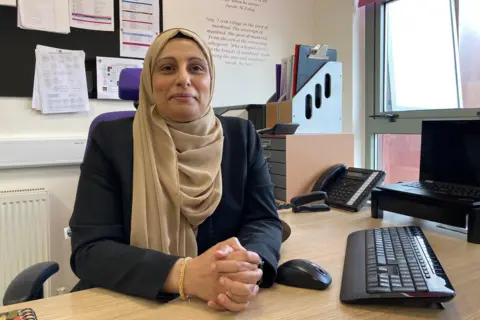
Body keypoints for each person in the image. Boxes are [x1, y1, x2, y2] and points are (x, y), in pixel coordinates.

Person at [68, 27, 283, 313]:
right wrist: (185, 274)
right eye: (168, 68)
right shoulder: (111, 139)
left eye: (196, 68)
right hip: (132, 300)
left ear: (210, 80)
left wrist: (247, 266)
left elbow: (265, 220)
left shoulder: (242, 135)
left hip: (220, 303)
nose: (184, 79)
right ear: (149, 81)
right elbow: (90, 250)